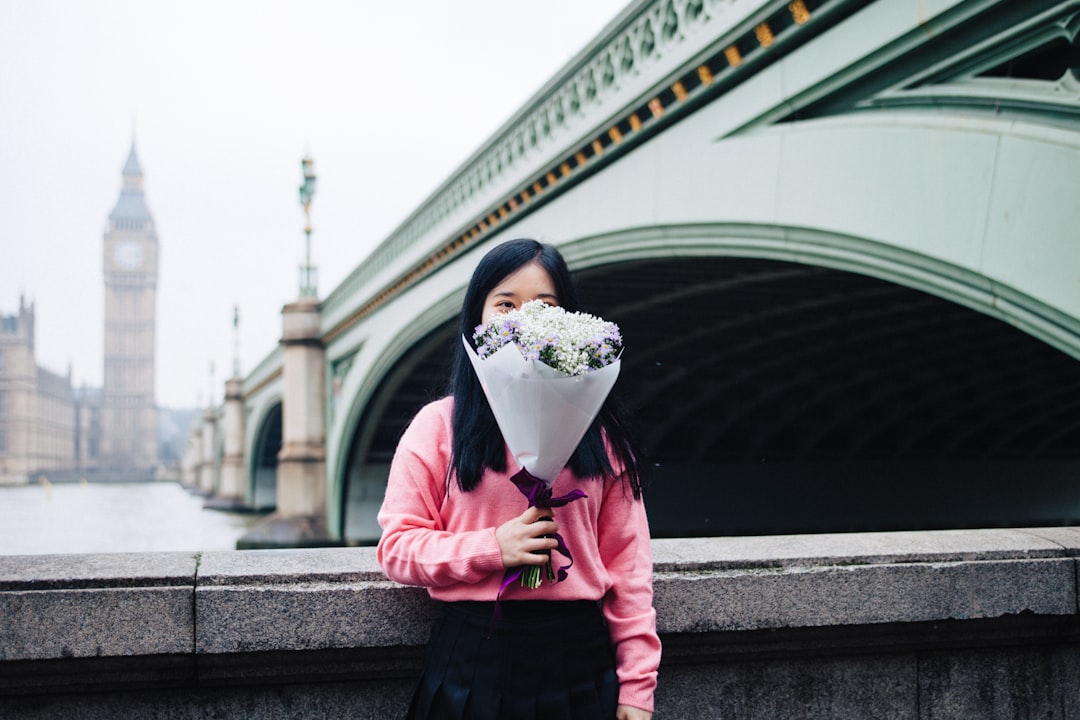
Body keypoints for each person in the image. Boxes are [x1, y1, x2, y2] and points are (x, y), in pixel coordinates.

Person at [377, 238, 660, 720]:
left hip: (578, 659)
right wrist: (494, 547)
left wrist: (637, 688)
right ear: (477, 319)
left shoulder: (603, 437)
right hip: (472, 658)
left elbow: (630, 570)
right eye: (505, 304)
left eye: (544, 307)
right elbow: (397, 549)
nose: (523, 321)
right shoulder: (438, 426)